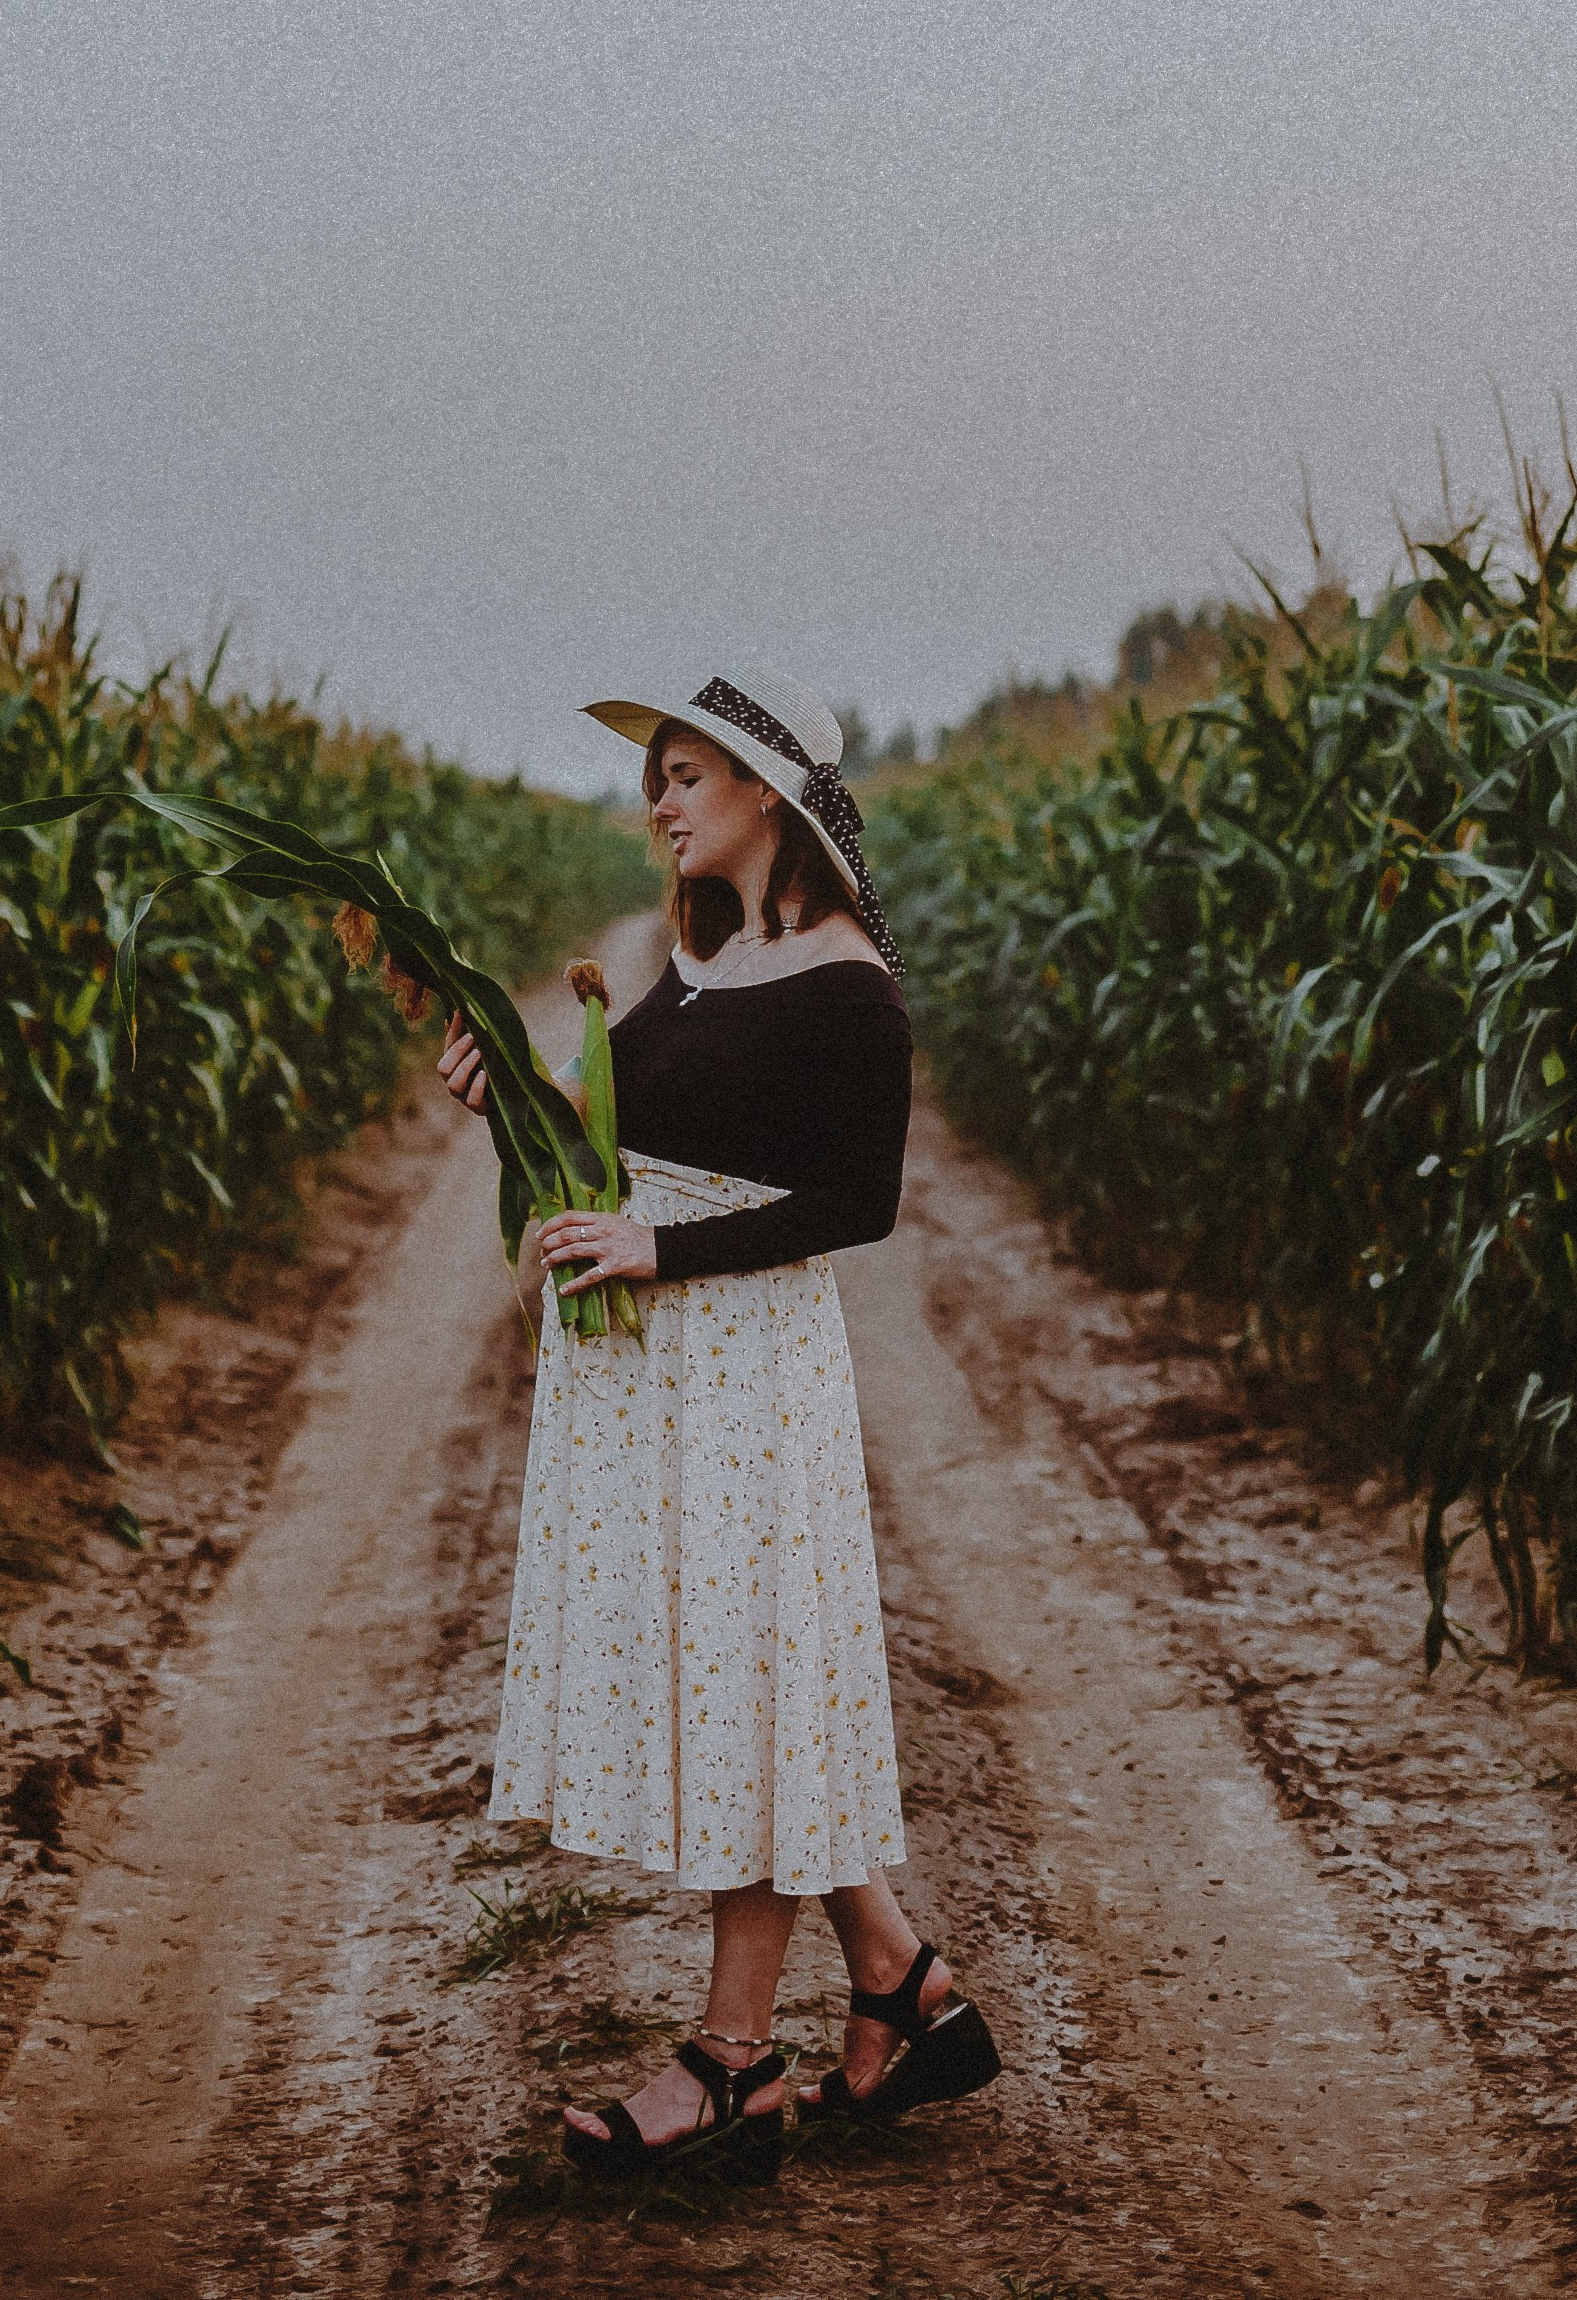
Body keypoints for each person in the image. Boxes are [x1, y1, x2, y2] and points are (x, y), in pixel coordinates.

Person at [437, 664, 1001, 2181]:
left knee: (744, 1683)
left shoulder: (846, 983)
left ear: (769, 792)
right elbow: (619, 1133)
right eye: (657, 781)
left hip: (749, 1370)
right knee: (743, 1680)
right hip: (658, 1374)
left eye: (688, 775)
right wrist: (507, 1096)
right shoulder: (697, 966)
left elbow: (856, 1202)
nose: (662, 804)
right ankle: (897, 1982)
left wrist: (660, 1252)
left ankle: (734, 2063)